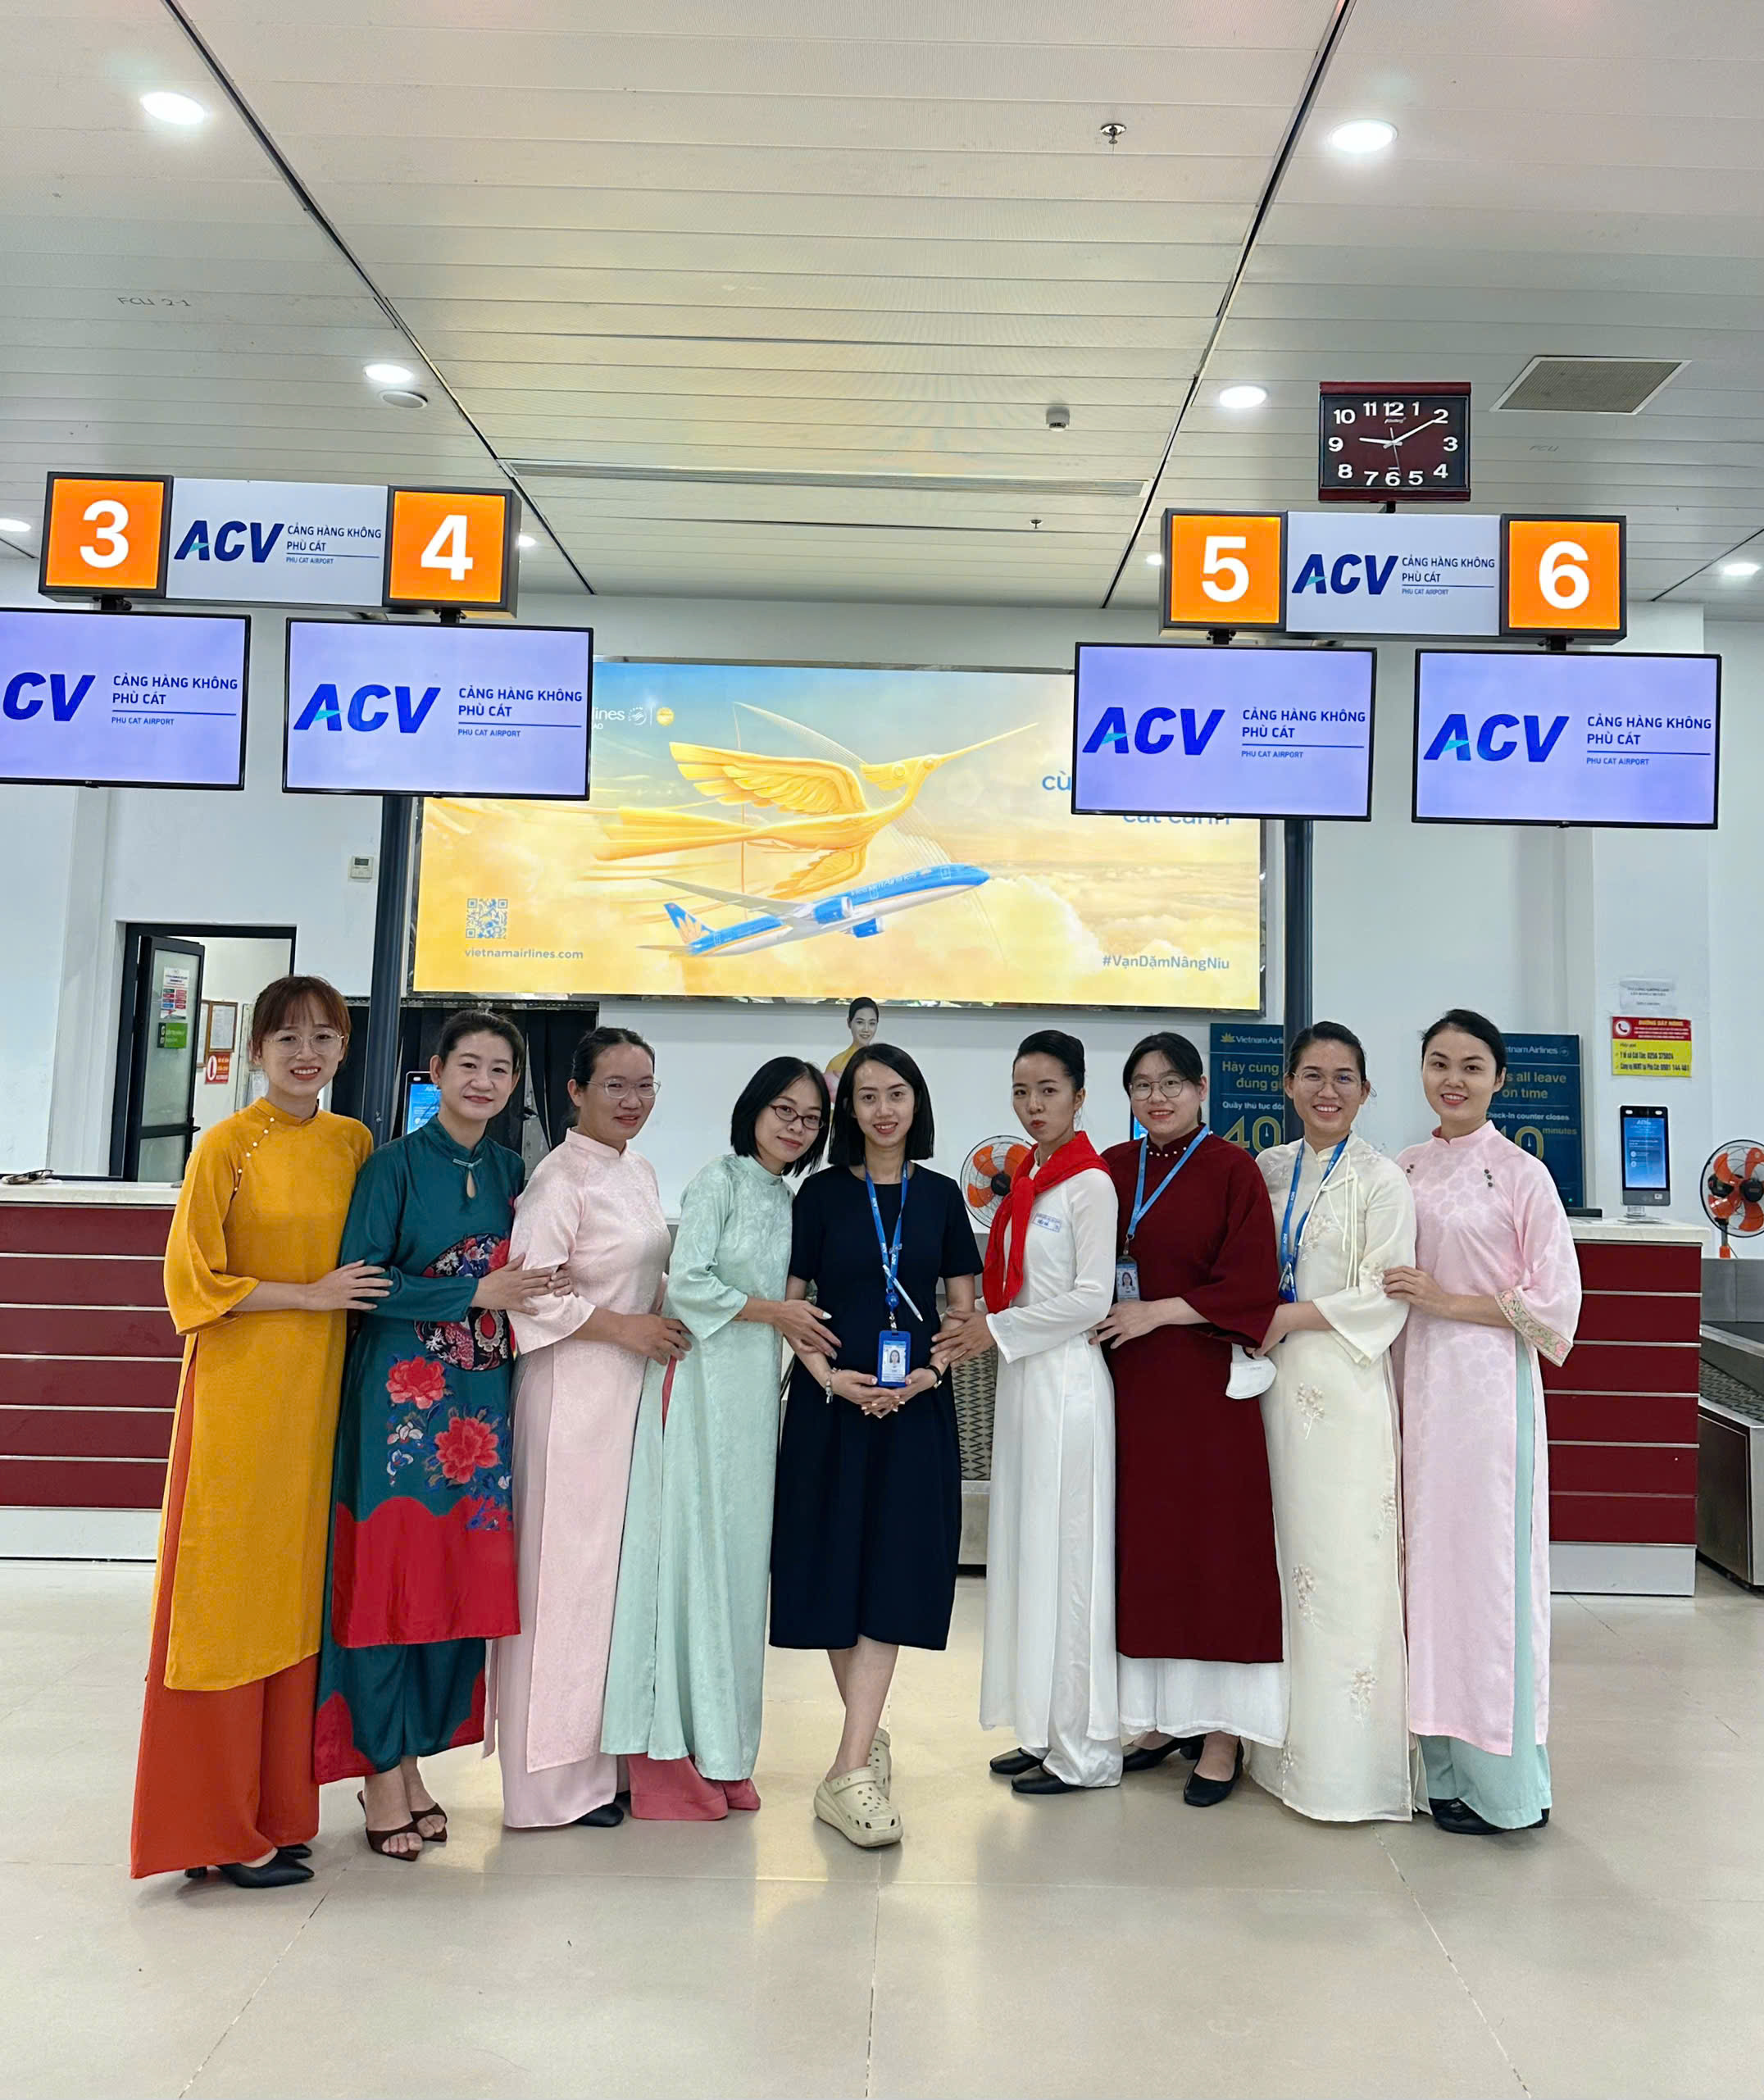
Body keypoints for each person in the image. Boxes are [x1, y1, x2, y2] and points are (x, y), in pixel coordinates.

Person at [131, 976, 384, 1887]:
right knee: (227, 1597)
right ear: (257, 1050)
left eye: (323, 1037)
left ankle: (277, 1809)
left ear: (344, 1048)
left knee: (293, 1593)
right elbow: (191, 1282)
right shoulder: (226, 1145)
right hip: (242, 1399)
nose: (305, 1054)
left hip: (320, 1402)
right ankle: (213, 1828)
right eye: (287, 1038)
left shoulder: (353, 1143)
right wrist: (310, 1296)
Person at [314, 1011, 569, 1858]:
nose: (483, 1082)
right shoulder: (391, 1166)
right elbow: (361, 1280)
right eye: (469, 1065)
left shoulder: (514, 1173)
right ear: (436, 1069)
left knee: (450, 1588)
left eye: (500, 1069)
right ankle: (379, 1769)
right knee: (387, 1583)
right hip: (400, 1405)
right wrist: (470, 1294)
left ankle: (410, 1764)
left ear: (514, 1085)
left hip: (481, 1411)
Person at [601, 1057, 834, 1820]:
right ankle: (671, 1757)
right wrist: (774, 1313)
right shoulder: (720, 1182)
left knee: (736, 1575)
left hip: (752, 1407)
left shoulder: (787, 1198)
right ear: (753, 1108)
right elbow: (690, 1279)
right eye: (784, 1110)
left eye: (811, 1118)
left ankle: (726, 1751)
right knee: (690, 1562)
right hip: (698, 1389)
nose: (796, 1127)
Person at [771, 1043, 984, 1848]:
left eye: (896, 1094)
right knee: (830, 1570)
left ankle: (848, 1768)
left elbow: (962, 1314)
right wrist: (829, 1379)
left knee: (891, 1572)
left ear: (915, 1102)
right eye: (866, 1097)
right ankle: (865, 1741)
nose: (883, 1110)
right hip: (830, 1409)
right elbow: (793, 1307)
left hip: (914, 1412)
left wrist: (928, 1376)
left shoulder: (941, 1197)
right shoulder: (821, 1194)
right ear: (848, 1112)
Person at [485, 1027, 690, 1832]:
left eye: (645, 1085)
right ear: (575, 1092)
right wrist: (626, 1329)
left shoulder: (636, 1171)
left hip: (623, 1396)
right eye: (614, 1085)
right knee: (560, 1586)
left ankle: (601, 1766)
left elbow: (641, 1274)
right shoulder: (558, 1180)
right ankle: (545, 1786)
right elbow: (531, 1295)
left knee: (607, 1588)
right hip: (569, 1394)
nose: (632, 1100)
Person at [1386, 1009, 1580, 1837]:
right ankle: (1440, 1774)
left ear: (1499, 1078)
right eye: (1439, 1063)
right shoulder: (1402, 1167)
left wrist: (1447, 1301)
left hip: (1489, 1402)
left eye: (1471, 1065)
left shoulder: (1523, 1176)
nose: (1453, 1079)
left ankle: (1505, 1788)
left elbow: (1556, 1310)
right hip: (1412, 1394)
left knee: (1487, 1582)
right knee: (1423, 1581)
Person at [1093, 1031, 1283, 1808]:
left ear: (1202, 1090)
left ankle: (1222, 1734)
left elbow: (1253, 1285)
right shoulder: (1112, 1168)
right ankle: (1158, 1719)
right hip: (1128, 1388)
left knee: (1215, 1555)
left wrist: (1156, 1312)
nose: (1157, 1097)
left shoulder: (1233, 1169)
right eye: (1142, 1085)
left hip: (1205, 1390)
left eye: (1172, 1082)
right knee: (1147, 1555)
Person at [936, 1030, 1121, 1795]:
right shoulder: (1026, 1180)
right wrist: (984, 1324)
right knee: (1027, 1557)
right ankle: (1042, 1730)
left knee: (1069, 1562)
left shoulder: (1089, 1184)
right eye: (1021, 1091)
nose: (1034, 1105)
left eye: (1049, 1090)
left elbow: (1092, 1299)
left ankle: (1086, 1751)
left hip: (1068, 1385)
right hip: (1023, 1385)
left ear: (1080, 1096)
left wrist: (995, 1329)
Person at [1247, 1023, 1416, 1823]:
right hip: (1268, 1391)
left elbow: (1386, 1293)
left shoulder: (1383, 1181)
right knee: (1280, 1566)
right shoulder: (1266, 1170)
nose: (1327, 1091)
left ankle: (1346, 1770)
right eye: (1311, 1075)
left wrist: (1288, 1317)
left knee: (1344, 1570)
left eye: (1344, 1077)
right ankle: (1273, 1751)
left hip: (1344, 1393)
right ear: (1287, 1086)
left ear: (1366, 1090)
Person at [825, 997, 880, 1097]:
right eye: (860, 1022)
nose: (866, 1029)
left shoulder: (882, 1063)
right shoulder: (836, 1064)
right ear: (849, 1023)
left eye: (872, 1023)